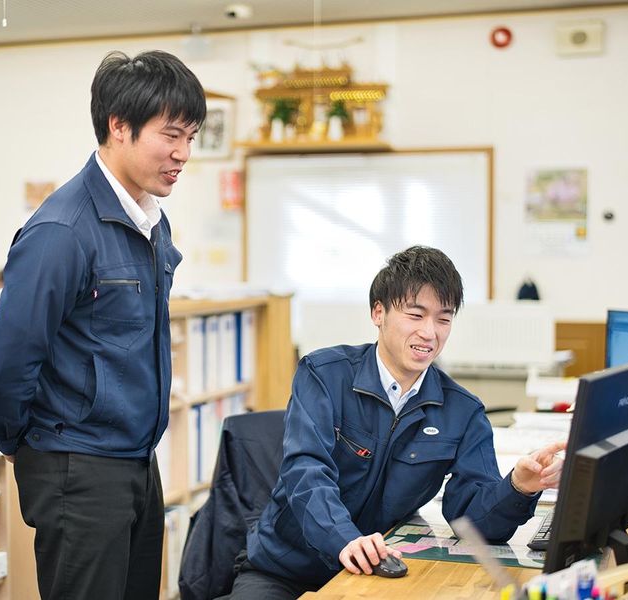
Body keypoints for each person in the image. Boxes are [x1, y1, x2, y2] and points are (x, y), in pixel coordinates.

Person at [0, 50, 206, 600]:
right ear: (119, 126)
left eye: (191, 137)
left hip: (136, 459)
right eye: (171, 135)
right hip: (77, 466)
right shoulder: (62, 230)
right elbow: (8, 359)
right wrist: (19, 442)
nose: (183, 153)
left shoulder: (150, 218)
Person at [227, 246, 565, 599]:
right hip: (284, 569)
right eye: (415, 315)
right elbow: (306, 471)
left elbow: (474, 525)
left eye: (444, 319)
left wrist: (518, 488)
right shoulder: (324, 375)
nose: (430, 332)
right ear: (379, 312)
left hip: (373, 574)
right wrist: (345, 539)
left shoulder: (462, 411)